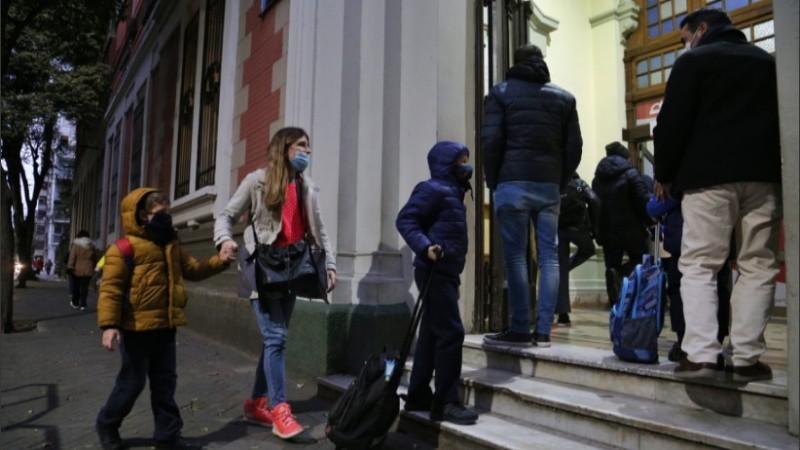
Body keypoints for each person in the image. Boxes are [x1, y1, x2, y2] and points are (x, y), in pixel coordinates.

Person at [653, 8, 782, 382]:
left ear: (702, 29)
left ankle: (702, 355)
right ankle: (746, 358)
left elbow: (672, 122)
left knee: (699, 264)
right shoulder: (766, 62)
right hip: (763, 177)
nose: (684, 44)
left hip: (708, 179)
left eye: (684, 37)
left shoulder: (695, 61)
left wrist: (665, 174)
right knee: (758, 263)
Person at [214, 127, 337, 439]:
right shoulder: (257, 181)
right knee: (276, 337)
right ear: (284, 149)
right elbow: (225, 216)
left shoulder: (306, 186)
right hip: (262, 267)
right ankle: (280, 410)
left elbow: (319, 229)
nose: (307, 152)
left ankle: (257, 403)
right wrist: (224, 241)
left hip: (293, 268)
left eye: (309, 147)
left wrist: (330, 266)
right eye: (301, 146)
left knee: (274, 339)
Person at [95, 188, 229, 450]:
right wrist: (109, 326)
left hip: (166, 328)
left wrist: (220, 261)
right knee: (131, 384)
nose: (166, 218)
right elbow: (110, 290)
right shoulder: (123, 249)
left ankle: (168, 436)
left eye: (168, 213)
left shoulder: (171, 245)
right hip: (135, 329)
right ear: (143, 216)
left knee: (165, 385)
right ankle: (107, 423)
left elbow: (194, 269)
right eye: (161, 214)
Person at [481, 44, 582, 348]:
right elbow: (574, 148)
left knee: (516, 257)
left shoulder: (500, 93)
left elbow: (491, 140)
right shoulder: (564, 98)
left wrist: (494, 179)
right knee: (550, 257)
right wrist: (558, 179)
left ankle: (520, 328)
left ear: (515, 62)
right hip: (549, 186)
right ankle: (543, 332)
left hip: (512, 182)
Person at [395, 140, 479, 425]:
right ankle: (446, 402)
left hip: (443, 274)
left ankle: (418, 394)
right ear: (446, 163)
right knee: (452, 333)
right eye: (461, 160)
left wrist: (453, 278)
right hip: (433, 270)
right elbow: (406, 220)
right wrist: (425, 246)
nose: (466, 165)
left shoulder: (454, 193)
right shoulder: (432, 189)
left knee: (432, 333)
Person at [647, 194, 731, 362]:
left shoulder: (684, 176)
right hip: (720, 234)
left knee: (681, 291)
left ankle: (689, 347)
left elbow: (654, 207)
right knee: (719, 289)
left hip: (683, 239)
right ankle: (715, 346)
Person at [591, 142, 652, 307]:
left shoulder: (597, 179)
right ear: (626, 157)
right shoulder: (631, 174)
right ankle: (623, 279)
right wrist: (649, 221)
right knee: (640, 259)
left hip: (606, 228)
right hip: (630, 228)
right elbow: (641, 200)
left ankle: (614, 304)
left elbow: (596, 205)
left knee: (611, 265)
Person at [555, 172, 600, 326]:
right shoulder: (580, 183)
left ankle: (563, 316)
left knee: (561, 269)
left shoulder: (556, 183)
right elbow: (594, 200)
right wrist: (595, 228)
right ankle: (566, 266)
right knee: (589, 250)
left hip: (558, 230)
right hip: (578, 229)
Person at [67, 229, 97, 310]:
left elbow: (72, 257)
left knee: (76, 287)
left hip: (77, 269)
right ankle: (83, 304)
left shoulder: (76, 244)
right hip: (88, 269)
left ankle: (75, 302)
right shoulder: (92, 245)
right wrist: (94, 267)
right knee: (85, 287)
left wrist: (70, 267)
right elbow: (94, 257)